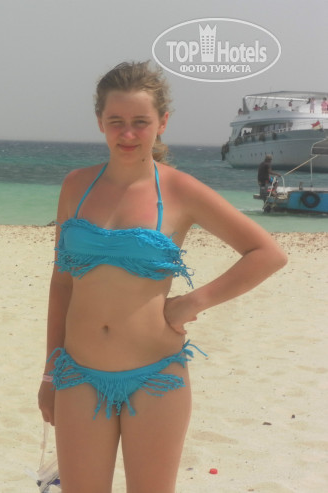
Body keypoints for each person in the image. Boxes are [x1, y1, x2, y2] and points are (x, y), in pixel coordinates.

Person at [37, 61, 287, 492]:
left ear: (162, 122)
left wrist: (192, 302)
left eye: (140, 122)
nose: (128, 134)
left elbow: (267, 253)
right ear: (100, 122)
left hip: (155, 376)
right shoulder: (76, 186)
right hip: (78, 375)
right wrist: (49, 373)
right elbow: (62, 284)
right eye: (116, 121)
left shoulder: (179, 190)